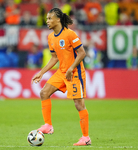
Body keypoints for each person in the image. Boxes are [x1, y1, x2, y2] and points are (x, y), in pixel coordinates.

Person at [31, 8, 91, 146]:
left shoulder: (70, 34)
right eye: (47, 19)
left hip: (75, 73)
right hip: (62, 72)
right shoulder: (51, 37)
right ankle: (48, 125)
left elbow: (82, 53)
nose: (47, 21)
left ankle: (86, 138)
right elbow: (54, 58)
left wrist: (71, 68)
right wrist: (41, 72)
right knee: (44, 93)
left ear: (58, 19)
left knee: (79, 104)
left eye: (50, 18)